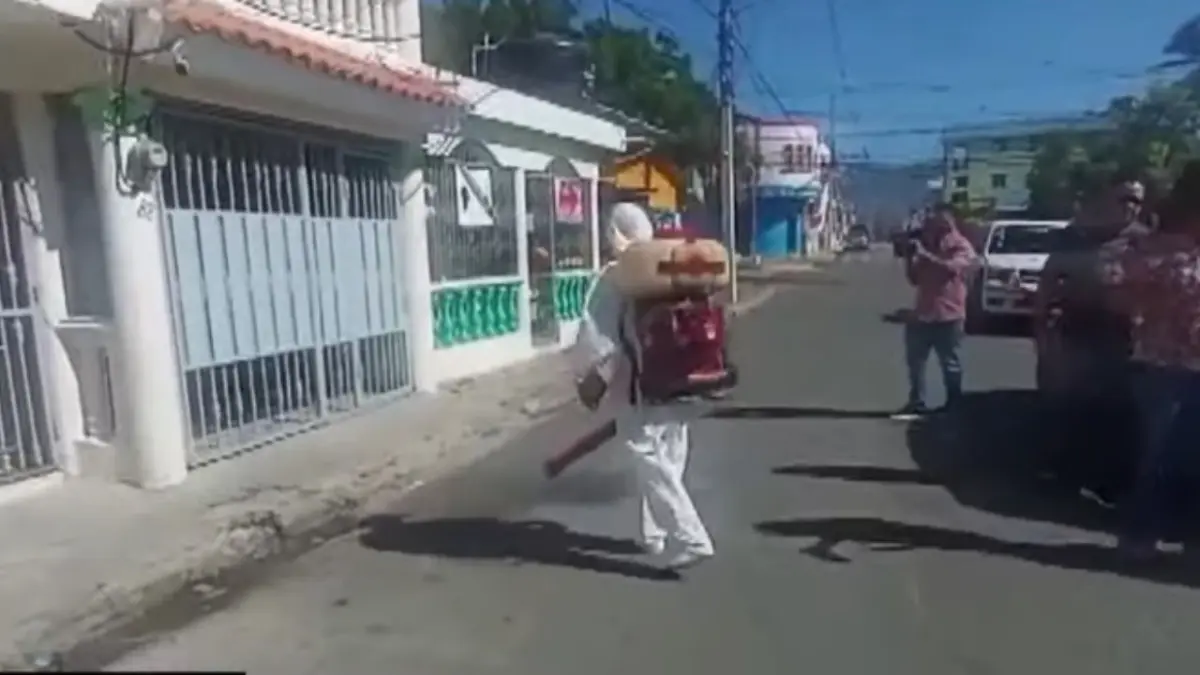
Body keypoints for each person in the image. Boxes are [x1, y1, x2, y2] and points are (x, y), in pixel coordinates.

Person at [570, 202, 715, 570]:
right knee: (670, 455)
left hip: (640, 384)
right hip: (682, 379)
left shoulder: (619, 275)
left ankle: (690, 535)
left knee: (647, 457)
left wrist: (592, 380)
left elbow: (601, 337)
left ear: (615, 232)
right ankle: (653, 535)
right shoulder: (670, 266)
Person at [1101, 163, 1200, 559]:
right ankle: (1140, 536)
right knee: (1161, 457)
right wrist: (1156, 298)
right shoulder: (1158, 246)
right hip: (1164, 367)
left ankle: (1192, 539)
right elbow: (1115, 292)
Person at [892, 203, 977, 420]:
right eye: (931, 220)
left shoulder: (960, 245)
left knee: (950, 362)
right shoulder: (927, 244)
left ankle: (955, 404)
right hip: (923, 311)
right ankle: (917, 402)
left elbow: (952, 268)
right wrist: (910, 258)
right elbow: (914, 279)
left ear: (950, 221)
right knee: (915, 361)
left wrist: (925, 254)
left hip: (949, 313)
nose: (932, 224)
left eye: (938, 219)